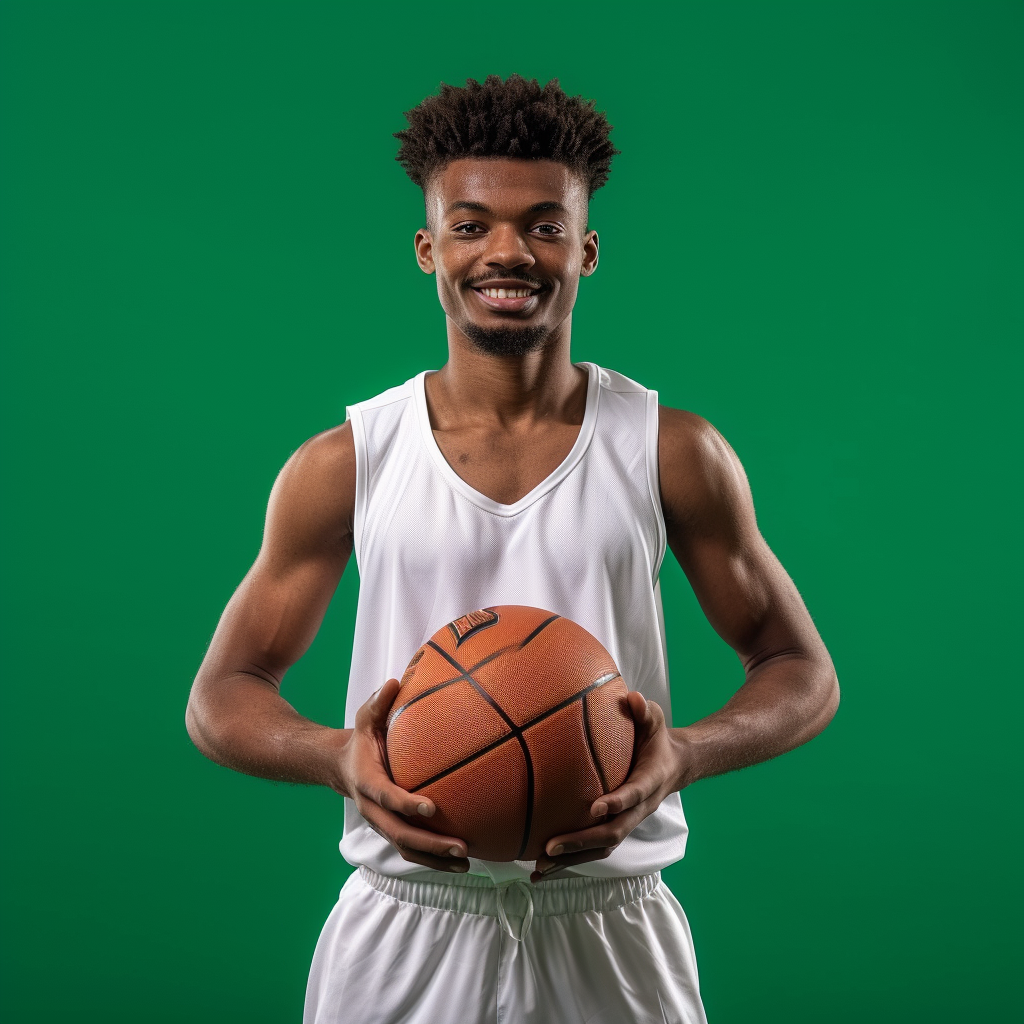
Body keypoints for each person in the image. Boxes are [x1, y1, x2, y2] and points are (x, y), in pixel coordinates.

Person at [186, 74, 839, 1024]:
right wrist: (337, 759)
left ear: (587, 249)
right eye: (470, 224)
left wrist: (683, 755)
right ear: (427, 249)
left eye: (542, 223)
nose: (506, 251)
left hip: (609, 920)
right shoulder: (349, 461)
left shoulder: (670, 450)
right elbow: (220, 696)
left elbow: (802, 670)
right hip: (405, 923)